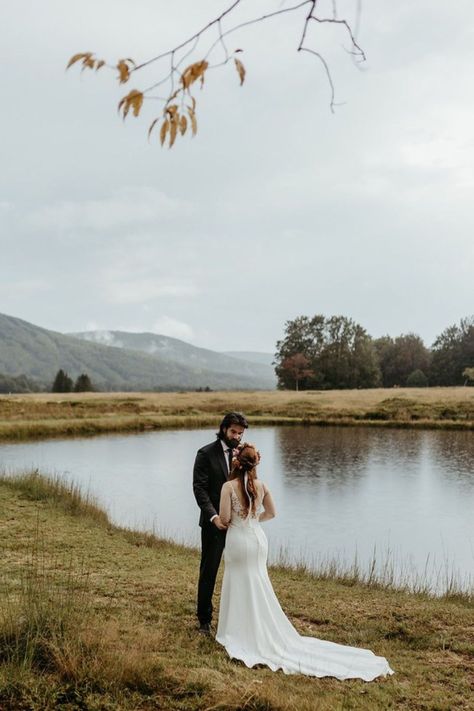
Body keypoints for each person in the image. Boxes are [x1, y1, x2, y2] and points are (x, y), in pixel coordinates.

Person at [216, 444, 394, 681]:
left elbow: (226, 518)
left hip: (239, 539)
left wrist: (220, 520)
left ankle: (239, 631)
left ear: (236, 463)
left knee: (240, 580)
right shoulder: (262, 486)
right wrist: (254, 520)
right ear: (255, 463)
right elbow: (272, 513)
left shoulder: (228, 487)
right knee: (258, 581)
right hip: (257, 539)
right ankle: (258, 627)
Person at [192, 412, 248, 634]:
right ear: (224, 429)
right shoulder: (205, 453)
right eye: (233, 432)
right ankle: (204, 620)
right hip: (214, 524)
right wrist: (213, 517)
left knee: (241, 570)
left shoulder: (243, 454)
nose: (236, 437)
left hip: (238, 525)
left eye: (240, 433)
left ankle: (239, 618)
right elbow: (199, 489)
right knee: (209, 571)